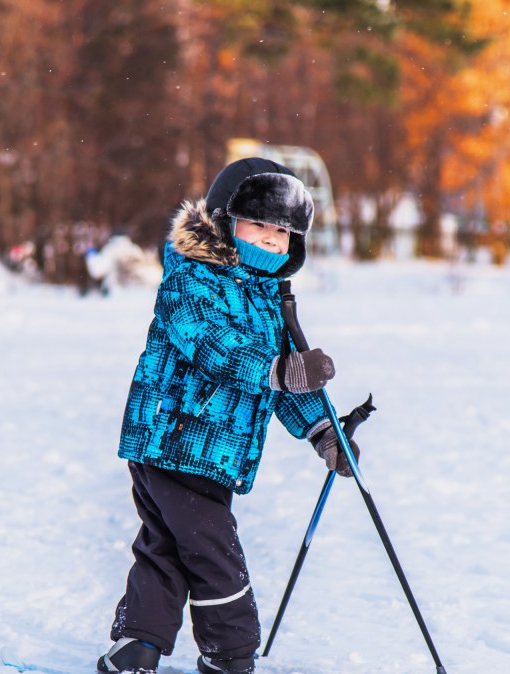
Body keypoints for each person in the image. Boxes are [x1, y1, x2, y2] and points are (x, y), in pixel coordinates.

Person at [98, 158, 361, 674]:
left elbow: (282, 385)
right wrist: (280, 369)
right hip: (172, 440)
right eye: (259, 223)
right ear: (223, 219)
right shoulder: (190, 280)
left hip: (215, 454)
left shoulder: (269, 299)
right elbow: (213, 348)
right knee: (212, 550)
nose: (271, 239)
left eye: (282, 231)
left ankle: (138, 643)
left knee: (168, 546)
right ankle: (231, 652)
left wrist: (324, 432)